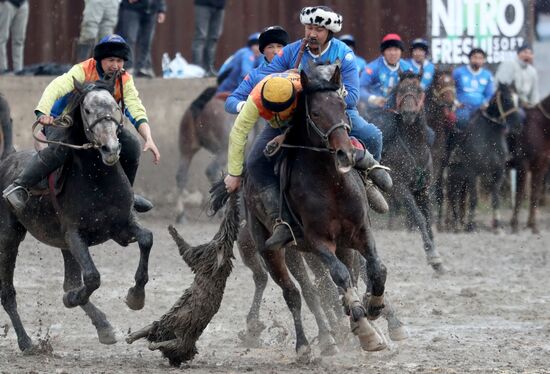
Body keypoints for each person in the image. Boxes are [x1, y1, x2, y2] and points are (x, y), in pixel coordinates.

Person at [224, 73, 390, 252]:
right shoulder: (254, 101)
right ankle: (281, 222)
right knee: (254, 163)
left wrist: (287, 135)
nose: (281, 113)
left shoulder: (303, 90)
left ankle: (369, 166)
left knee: (338, 136)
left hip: (310, 121)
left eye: (285, 108)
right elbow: (238, 134)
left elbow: (331, 97)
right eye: (275, 110)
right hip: (275, 127)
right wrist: (234, 174)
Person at [3, 35, 161, 212]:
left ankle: (126, 196)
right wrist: (43, 113)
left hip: (100, 127)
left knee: (132, 146)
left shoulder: (124, 79)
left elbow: (135, 108)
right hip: (63, 122)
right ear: (99, 59)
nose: (115, 65)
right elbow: (56, 87)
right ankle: (19, 187)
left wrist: (148, 138)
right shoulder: (82, 70)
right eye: (111, 60)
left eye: (119, 60)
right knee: (60, 150)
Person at [260, 6, 383, 162]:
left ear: (329, 32)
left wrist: (327, 99)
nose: (312, 34)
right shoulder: (291, 51)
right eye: (309, 28)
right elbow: (264, 77)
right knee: (257, 158)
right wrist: (283, 77)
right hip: (296, 112)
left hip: (337, 112)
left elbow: (352, 97)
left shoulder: (344, 54)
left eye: (318, 30)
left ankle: (372, 175)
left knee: (373, 136)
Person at [225, 25, 289, 114]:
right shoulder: (255, 74)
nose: (276, 51)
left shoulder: (297, 66)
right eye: (270, 47)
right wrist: (245, 106)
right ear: (263, 51)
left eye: (280, 46)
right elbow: (231, 101)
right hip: (270, 122)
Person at [360, 33, 413, 118]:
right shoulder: (372, 68)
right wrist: (373, 99)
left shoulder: (407, 68)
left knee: (428, 131)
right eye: (389, 50)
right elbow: (360, 88)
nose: (392, 53)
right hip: (376, 114)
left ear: (401, 51)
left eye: (396, 49)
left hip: (401, 113)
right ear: (383, 52)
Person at [116, 0, 167, 78]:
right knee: (130, 39)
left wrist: (161, 9)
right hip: (132, 8)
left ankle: (142, 67)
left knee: (147, 41)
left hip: (151, 9)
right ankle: (128, 67)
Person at [453, 48, 494, 130]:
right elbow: (450, 88)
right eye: (475, 57)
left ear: (483, 60)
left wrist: (486, 103)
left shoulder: (487, 75)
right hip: (463, 107)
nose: (477, 60)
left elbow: (489, 93)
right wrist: (455, 102)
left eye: (480, 58)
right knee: (462, 120)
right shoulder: (458, 72)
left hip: (480, 108)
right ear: (470, 58)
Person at [495, 43, 539, 120]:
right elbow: (502, 88)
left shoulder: (532, 71)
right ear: (518, 53)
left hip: (525, 105)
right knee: (521, 116)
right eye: (525, 52)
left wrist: (535, 108)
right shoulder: (509, 64)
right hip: (508, 104)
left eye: (530, 53)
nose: (528, 55)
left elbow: (534, 93)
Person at [191, 0, 226, 77]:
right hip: (203, 4)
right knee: (201, 36)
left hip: (220, 5)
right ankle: (197, 68)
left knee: (214, 38)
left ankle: (210, 68)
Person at [0, 0, 29, 75]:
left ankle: (18, 69)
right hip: (7, 4)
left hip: (22, 4)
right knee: (2, 38)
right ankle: (2, 68)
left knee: (19, 40)